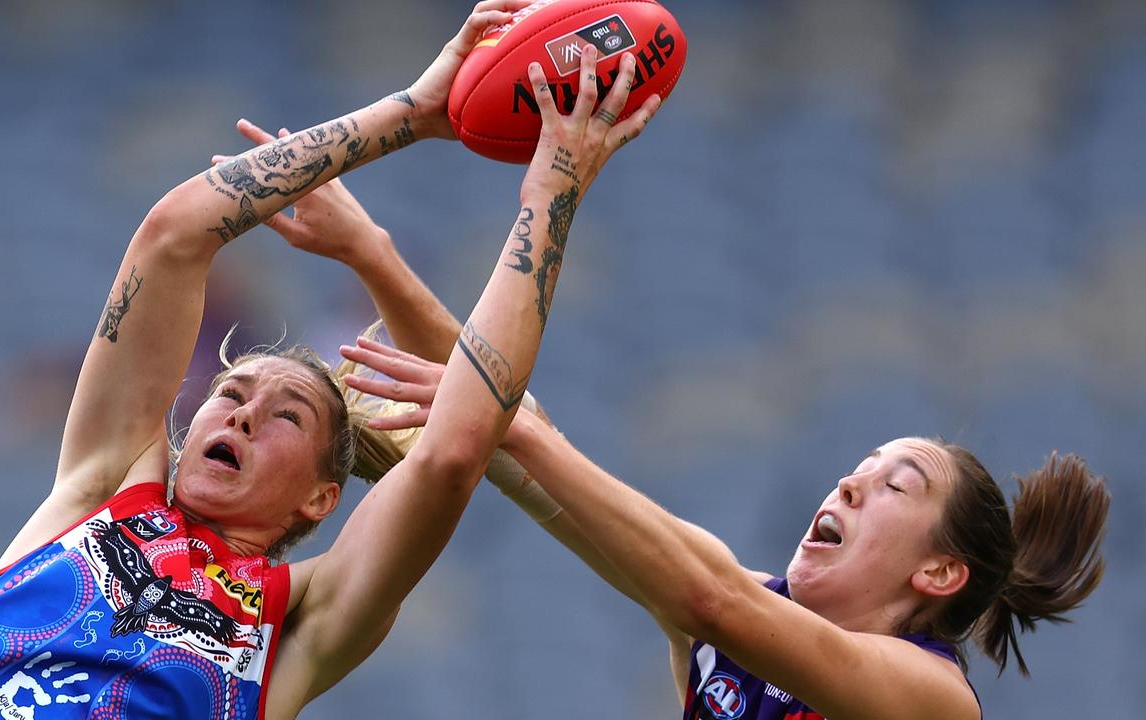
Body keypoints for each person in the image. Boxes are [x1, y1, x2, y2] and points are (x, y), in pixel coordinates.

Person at [0, 5, 663, 717]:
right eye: (232, 392)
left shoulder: (296, 623)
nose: (242, 410)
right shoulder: (103, 494)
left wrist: (548, 195)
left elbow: (457, 445)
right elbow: (175, 236)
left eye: (286, 415)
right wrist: (413, 113)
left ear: (321, 499)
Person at [253, 133, 1112, 720]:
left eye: (897, 485)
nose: (850, 481)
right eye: (863, 465)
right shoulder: (726, 603)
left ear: (939, 570)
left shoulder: (932, 697)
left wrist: (515, 429)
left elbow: (714, 600)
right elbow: (525, 455)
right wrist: (373, 256)